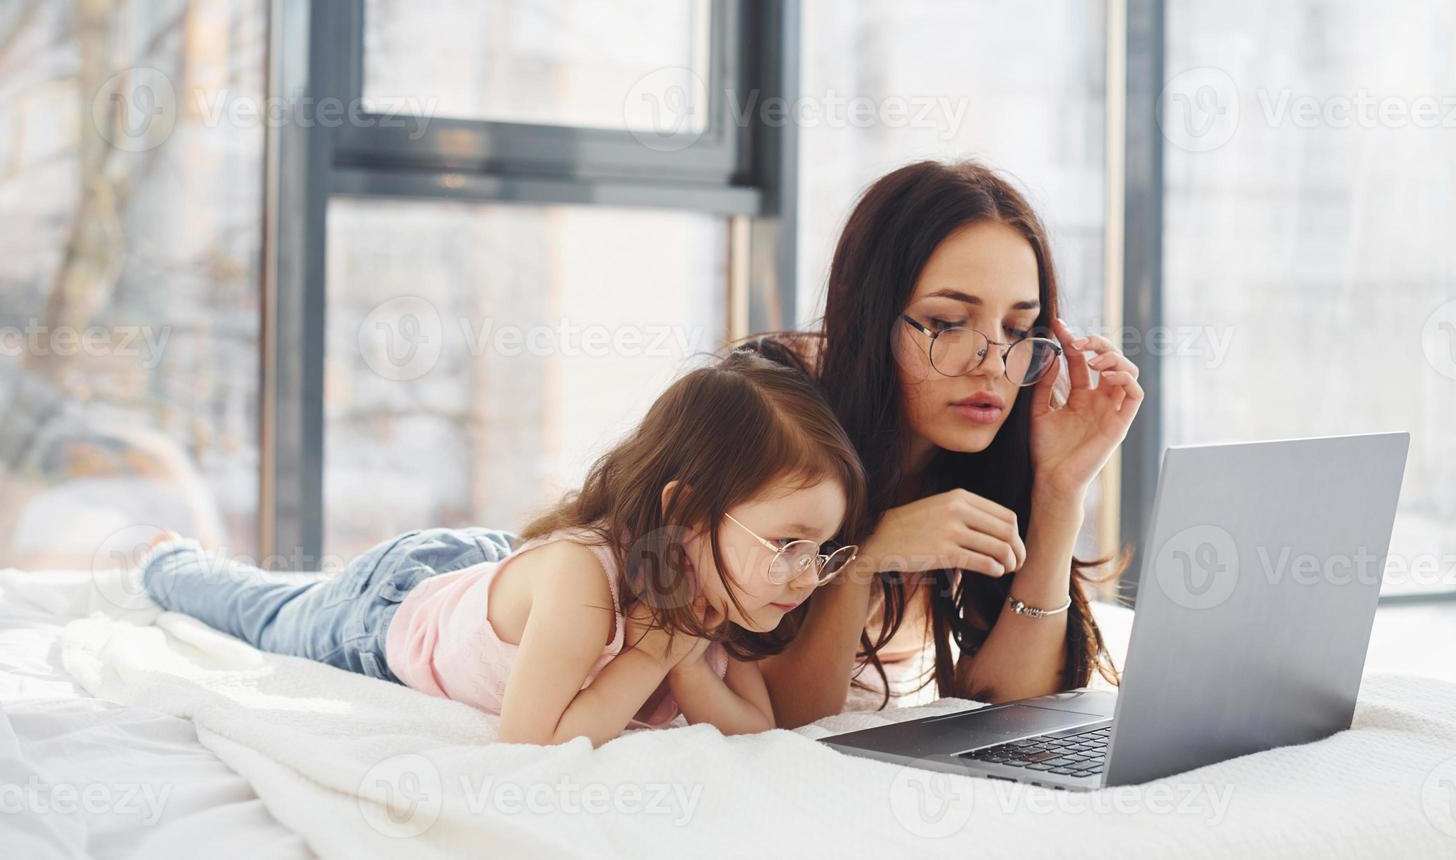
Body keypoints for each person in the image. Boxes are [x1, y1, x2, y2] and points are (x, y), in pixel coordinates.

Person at [140, 350, 867, 746]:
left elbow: (759, 727)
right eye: (789, 542)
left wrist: (687, 671)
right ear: (686, 513)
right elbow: (531, 744)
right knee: (272, 613)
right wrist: (649, 656)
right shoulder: (590, 585)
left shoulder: (720, 584)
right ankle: (173, 561)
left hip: (497, 579)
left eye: (822, 548)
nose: (806, 575)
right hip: (394, 606)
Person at [750, 159, 1144, 725]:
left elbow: (1007, 705)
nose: (991, 365)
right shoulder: (777, 417)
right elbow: (792, 721)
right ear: (870, 316)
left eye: (1016, 329)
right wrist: (862, 559)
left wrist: (1061, 491)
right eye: (947, 323)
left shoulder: (986, 443)